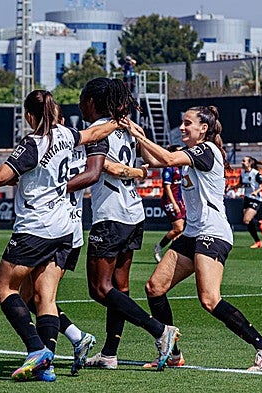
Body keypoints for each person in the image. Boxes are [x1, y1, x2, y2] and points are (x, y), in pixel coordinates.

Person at [0, 90, 121, 382]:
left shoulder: (33, 142)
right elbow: (96, 132)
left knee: (5, 289)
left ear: (29, 116)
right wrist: (118, 121)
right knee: (46, 298)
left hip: (35, 227)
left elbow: (3, 174)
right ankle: (48, 367)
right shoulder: (68, 135)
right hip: (64, 228)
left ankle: (36, 349)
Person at [126, 105, 262, 371]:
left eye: (187, 123)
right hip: (193, 233)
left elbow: (168, 160)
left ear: (203, 129)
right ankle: (172, 353)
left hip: (213, 232)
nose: (182, 128)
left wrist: (140, 137)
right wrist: (137, 134)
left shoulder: (207, 150)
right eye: (182, 123)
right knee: (154, 288)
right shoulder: (190, 153)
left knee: (209, 299)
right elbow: (155, 160)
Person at [66, 77, 179, 372]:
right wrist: (139, 168)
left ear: (91, 103)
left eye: (82, 102)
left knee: (100, 289)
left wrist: (131, 171)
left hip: (111, 214)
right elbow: (152, 162)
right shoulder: (128, 129)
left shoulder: (98, 131)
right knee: (120, 287)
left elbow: (104, 166)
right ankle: (109, 354)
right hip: (133, 214)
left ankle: (159, 330)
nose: (82, 107)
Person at [19, 105, 96, 376]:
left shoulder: (50, 147)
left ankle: (45, 360)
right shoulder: (75, 145)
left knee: (41, 297)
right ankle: (76, 337)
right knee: (31, 297)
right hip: (66, 228)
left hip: (55, 228)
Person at [153, 145, 186, 263]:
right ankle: (159, 247)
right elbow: (167, 187)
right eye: (178, 151)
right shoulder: (169, 168)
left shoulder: (181, 168)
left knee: (181, 230)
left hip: (179, 200)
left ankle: (173, 255)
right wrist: (174, 203)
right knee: (178, 228)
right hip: (170, 201)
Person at [226, 156, 262, 248]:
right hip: (247, 198)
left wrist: (256, 191)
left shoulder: (255, 173)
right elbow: (240, 184)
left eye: (244, 161)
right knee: (247, 222)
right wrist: (232, 188)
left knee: (246, 220)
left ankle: (259, 227)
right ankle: (258, 241)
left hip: (255, 199)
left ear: (249, 163)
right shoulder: (243, 173)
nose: (242, 162)